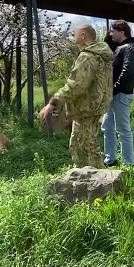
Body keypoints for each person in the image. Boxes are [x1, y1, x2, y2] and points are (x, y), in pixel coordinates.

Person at [39, 24, 113, 169]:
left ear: (83, 35)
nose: (73, 37)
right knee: (78, 144)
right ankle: (82, 175)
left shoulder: (87, 56)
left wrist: (53, 103)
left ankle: (98, 182)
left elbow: (77, 85)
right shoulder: (99, 55)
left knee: (88, 147)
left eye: (75, 34)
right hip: (91, 106)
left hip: (86, 108)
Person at [102, 20, 134, 166]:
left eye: (113, 30)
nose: (110, 33)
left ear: (122, 31)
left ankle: (129, 163)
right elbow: (106, 41)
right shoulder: (118, 47)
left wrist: (113, 89)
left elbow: (128, 72)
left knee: (123, 130)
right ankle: (110, 160)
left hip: (121, 94)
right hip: (112, 94)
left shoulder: (131, 48)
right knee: (107, 128)